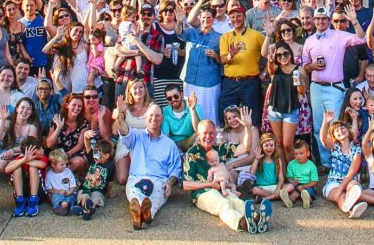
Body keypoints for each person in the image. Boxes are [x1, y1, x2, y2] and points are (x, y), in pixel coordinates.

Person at [182, 108, 269, 234]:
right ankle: (241, 223)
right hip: (203, 192)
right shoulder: (192, 153)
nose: (208, 136)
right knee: (223, 204)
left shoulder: (220, 148)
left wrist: (248, 128)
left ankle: (257, 218)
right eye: (205, 133)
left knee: (236, 201)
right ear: (199, 135)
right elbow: (185, 184)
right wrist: (209, 184)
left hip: (223, 187)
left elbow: (245, 148)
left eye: (211, 133)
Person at [302, 5, 366, 167]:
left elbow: (361, 39)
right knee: (318, 127)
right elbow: (304, 66)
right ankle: (326, 163)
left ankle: (339, 160)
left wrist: (355, 21)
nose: (321, 22)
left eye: (324, 19)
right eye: (318, 19)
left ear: (329, 21)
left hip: (334, 87)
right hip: (316, 87)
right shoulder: (309, 41)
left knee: (336, 127)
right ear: (314, 21)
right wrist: (312, 67)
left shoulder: (339, 35)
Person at [114, 99, 182, 230]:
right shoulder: (136, 136)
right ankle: (143, 213)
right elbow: (123, 129)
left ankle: (143, 213)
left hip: (159, 180)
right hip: (136, 178)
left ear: (162, 118)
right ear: (146, 118)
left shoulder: (170, 144)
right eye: (151, 115)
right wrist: (121, 114)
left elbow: (176, 169)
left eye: (157, 115)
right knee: (136, 193)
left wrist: (170, 183)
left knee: (156, 195)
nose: (153, 118)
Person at [219, 4, 266, 126]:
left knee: (252, 115)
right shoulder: (225, 37)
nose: (236, 19)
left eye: (238, 16)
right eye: (232, 17)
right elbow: (223, 60)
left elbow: (269, 54)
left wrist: (264, 72)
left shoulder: (256, 35)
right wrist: (231, 55)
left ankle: (253, 141)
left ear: (244, 17)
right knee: (226, 113)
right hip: (230, 82)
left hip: (250, 82)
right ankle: (228, 142)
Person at [318, 109, 368, 218]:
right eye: (336, 130)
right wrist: (326, 122)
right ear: (334, 136)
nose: (340, 130)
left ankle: (350, 204)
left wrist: (341, 188)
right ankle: (350, 211)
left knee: (352, 186)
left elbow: (352, 172)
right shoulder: (334, 147)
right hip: (333, 181)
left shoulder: (356, 150)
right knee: (339, 195)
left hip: (350, 180)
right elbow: (322, 138)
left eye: (342, 128)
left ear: (348, 130)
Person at [183, 0, 223, 123]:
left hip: (209, 82)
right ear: (200, 18)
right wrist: (179, 22)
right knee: (191, 111)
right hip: (190, 79)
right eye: (203, 17)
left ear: (214, 19)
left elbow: (224, 61)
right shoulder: (193, 33)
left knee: (208, 112)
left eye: (209, 18)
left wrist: (216, 56)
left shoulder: (219, 37)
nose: (206, 20)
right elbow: (179, 33)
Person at [75, 135, 114, 220]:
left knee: (97, 198)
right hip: (86, 187)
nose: (95, 156)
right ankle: (87, 206)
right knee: (84, 195)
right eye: (94, 153)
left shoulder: (111, 166)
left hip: (99, 189)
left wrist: (109, 193)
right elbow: (88, 147)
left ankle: (88, 209)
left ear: (106, 156)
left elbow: (110, 181)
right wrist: (85, 137)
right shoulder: (93, 160)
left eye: (98, 154)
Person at [281, 138, 319, 208]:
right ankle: (289, 202)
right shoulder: (291, 164)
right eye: (296, 154)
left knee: (304, 192)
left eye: (301, 153)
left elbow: (314, 181)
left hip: (308, 186)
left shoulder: (311, 165)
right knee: (294, 191)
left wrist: (304, 186)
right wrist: (292, 181)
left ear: (308, 153)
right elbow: (289, 177)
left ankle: (307, 200)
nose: (298, 156)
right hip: (296, 185)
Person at [45, 149, 79, 215]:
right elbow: (48, 188)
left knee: (72, 197)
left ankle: (68, 206)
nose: (65, 166)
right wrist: (58, 191)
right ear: (53, 164)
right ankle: (60, 206)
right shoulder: (49, 175)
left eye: (65, 164)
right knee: (55, 197)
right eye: (62, 164)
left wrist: (70, 191)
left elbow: (73, 185)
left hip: (68, 192)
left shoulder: (68, 171)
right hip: (58, 193)